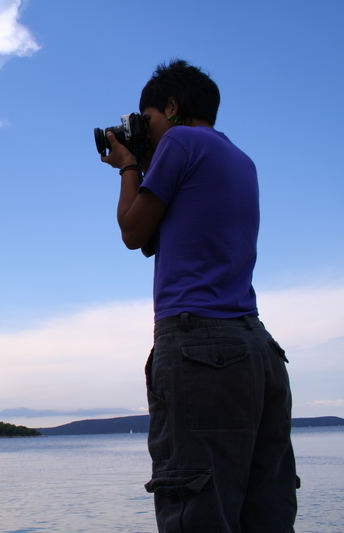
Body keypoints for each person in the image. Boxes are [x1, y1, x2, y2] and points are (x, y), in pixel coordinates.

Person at [100, 59, 298, 532]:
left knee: (196, 509)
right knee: (263, 506)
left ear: (171, 106)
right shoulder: (238, 158)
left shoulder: (183, 142)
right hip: (256, 349)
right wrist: (145, 165)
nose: (144, 130)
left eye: (146, 120)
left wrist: (127, 165)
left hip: (199, 344)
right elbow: (155, 240)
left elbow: (132, 231)